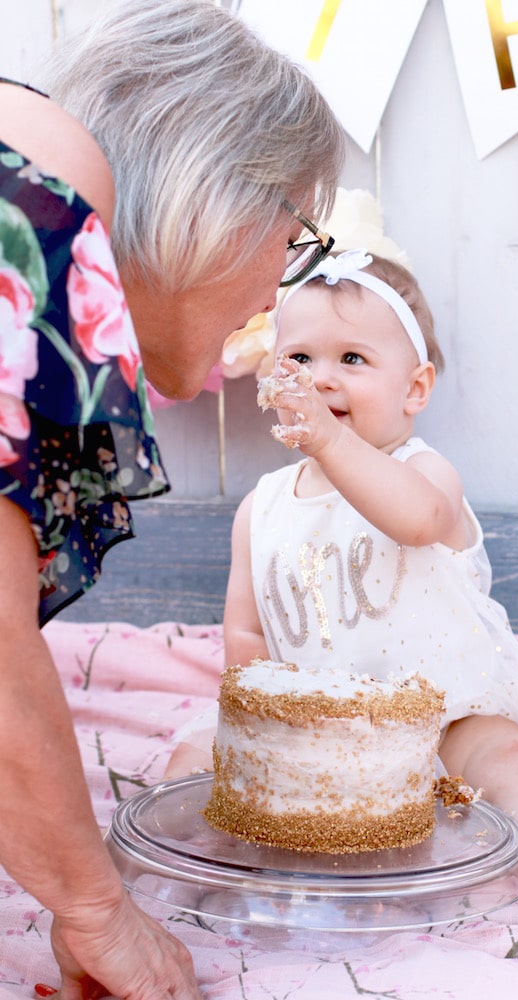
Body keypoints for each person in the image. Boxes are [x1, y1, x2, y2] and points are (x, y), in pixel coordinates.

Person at [0, 0, 344, 995]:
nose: (283, 289)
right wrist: (97, 907)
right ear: (228, 194)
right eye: (297, 237)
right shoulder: (36, 194)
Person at [167, 248, 518, 908]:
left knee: (513, 762)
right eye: (301, 359)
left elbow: (419, 520)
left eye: (352, 360)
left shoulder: (427, 474)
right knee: (195, 761)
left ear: (415, 390)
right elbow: (246, 632)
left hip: (445, 716)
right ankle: (207, 868)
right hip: (319, 735)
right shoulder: (264, 508)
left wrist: (332, 444)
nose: (321, 379)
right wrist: (265, 732)